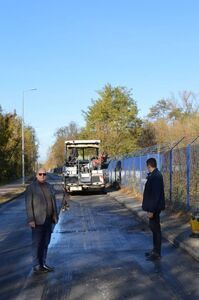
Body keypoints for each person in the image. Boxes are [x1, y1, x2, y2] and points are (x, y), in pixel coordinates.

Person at [25, 168, 58, 273]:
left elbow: (53, 201)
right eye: (40, 174)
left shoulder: (49, 186)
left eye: (44, 174)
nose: (42, 176)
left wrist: (54, 214)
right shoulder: (31, 188)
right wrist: (31, 219)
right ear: (36, 175)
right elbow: (28, 205)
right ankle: (36, 265)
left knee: (45, 243)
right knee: (37, 244)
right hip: (37, 220)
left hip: (49, 220)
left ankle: (43, 263)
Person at [142, 158, 165, 261]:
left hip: (154, 208)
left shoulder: (156, 176)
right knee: (154, 229)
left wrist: (151, 210)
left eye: (147, 166)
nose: (147, 168)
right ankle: (155, 250)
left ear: (149, 165)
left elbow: (156, 196)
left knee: (156, 230)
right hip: (153, 207)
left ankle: (157, 253)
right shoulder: (154, 175)